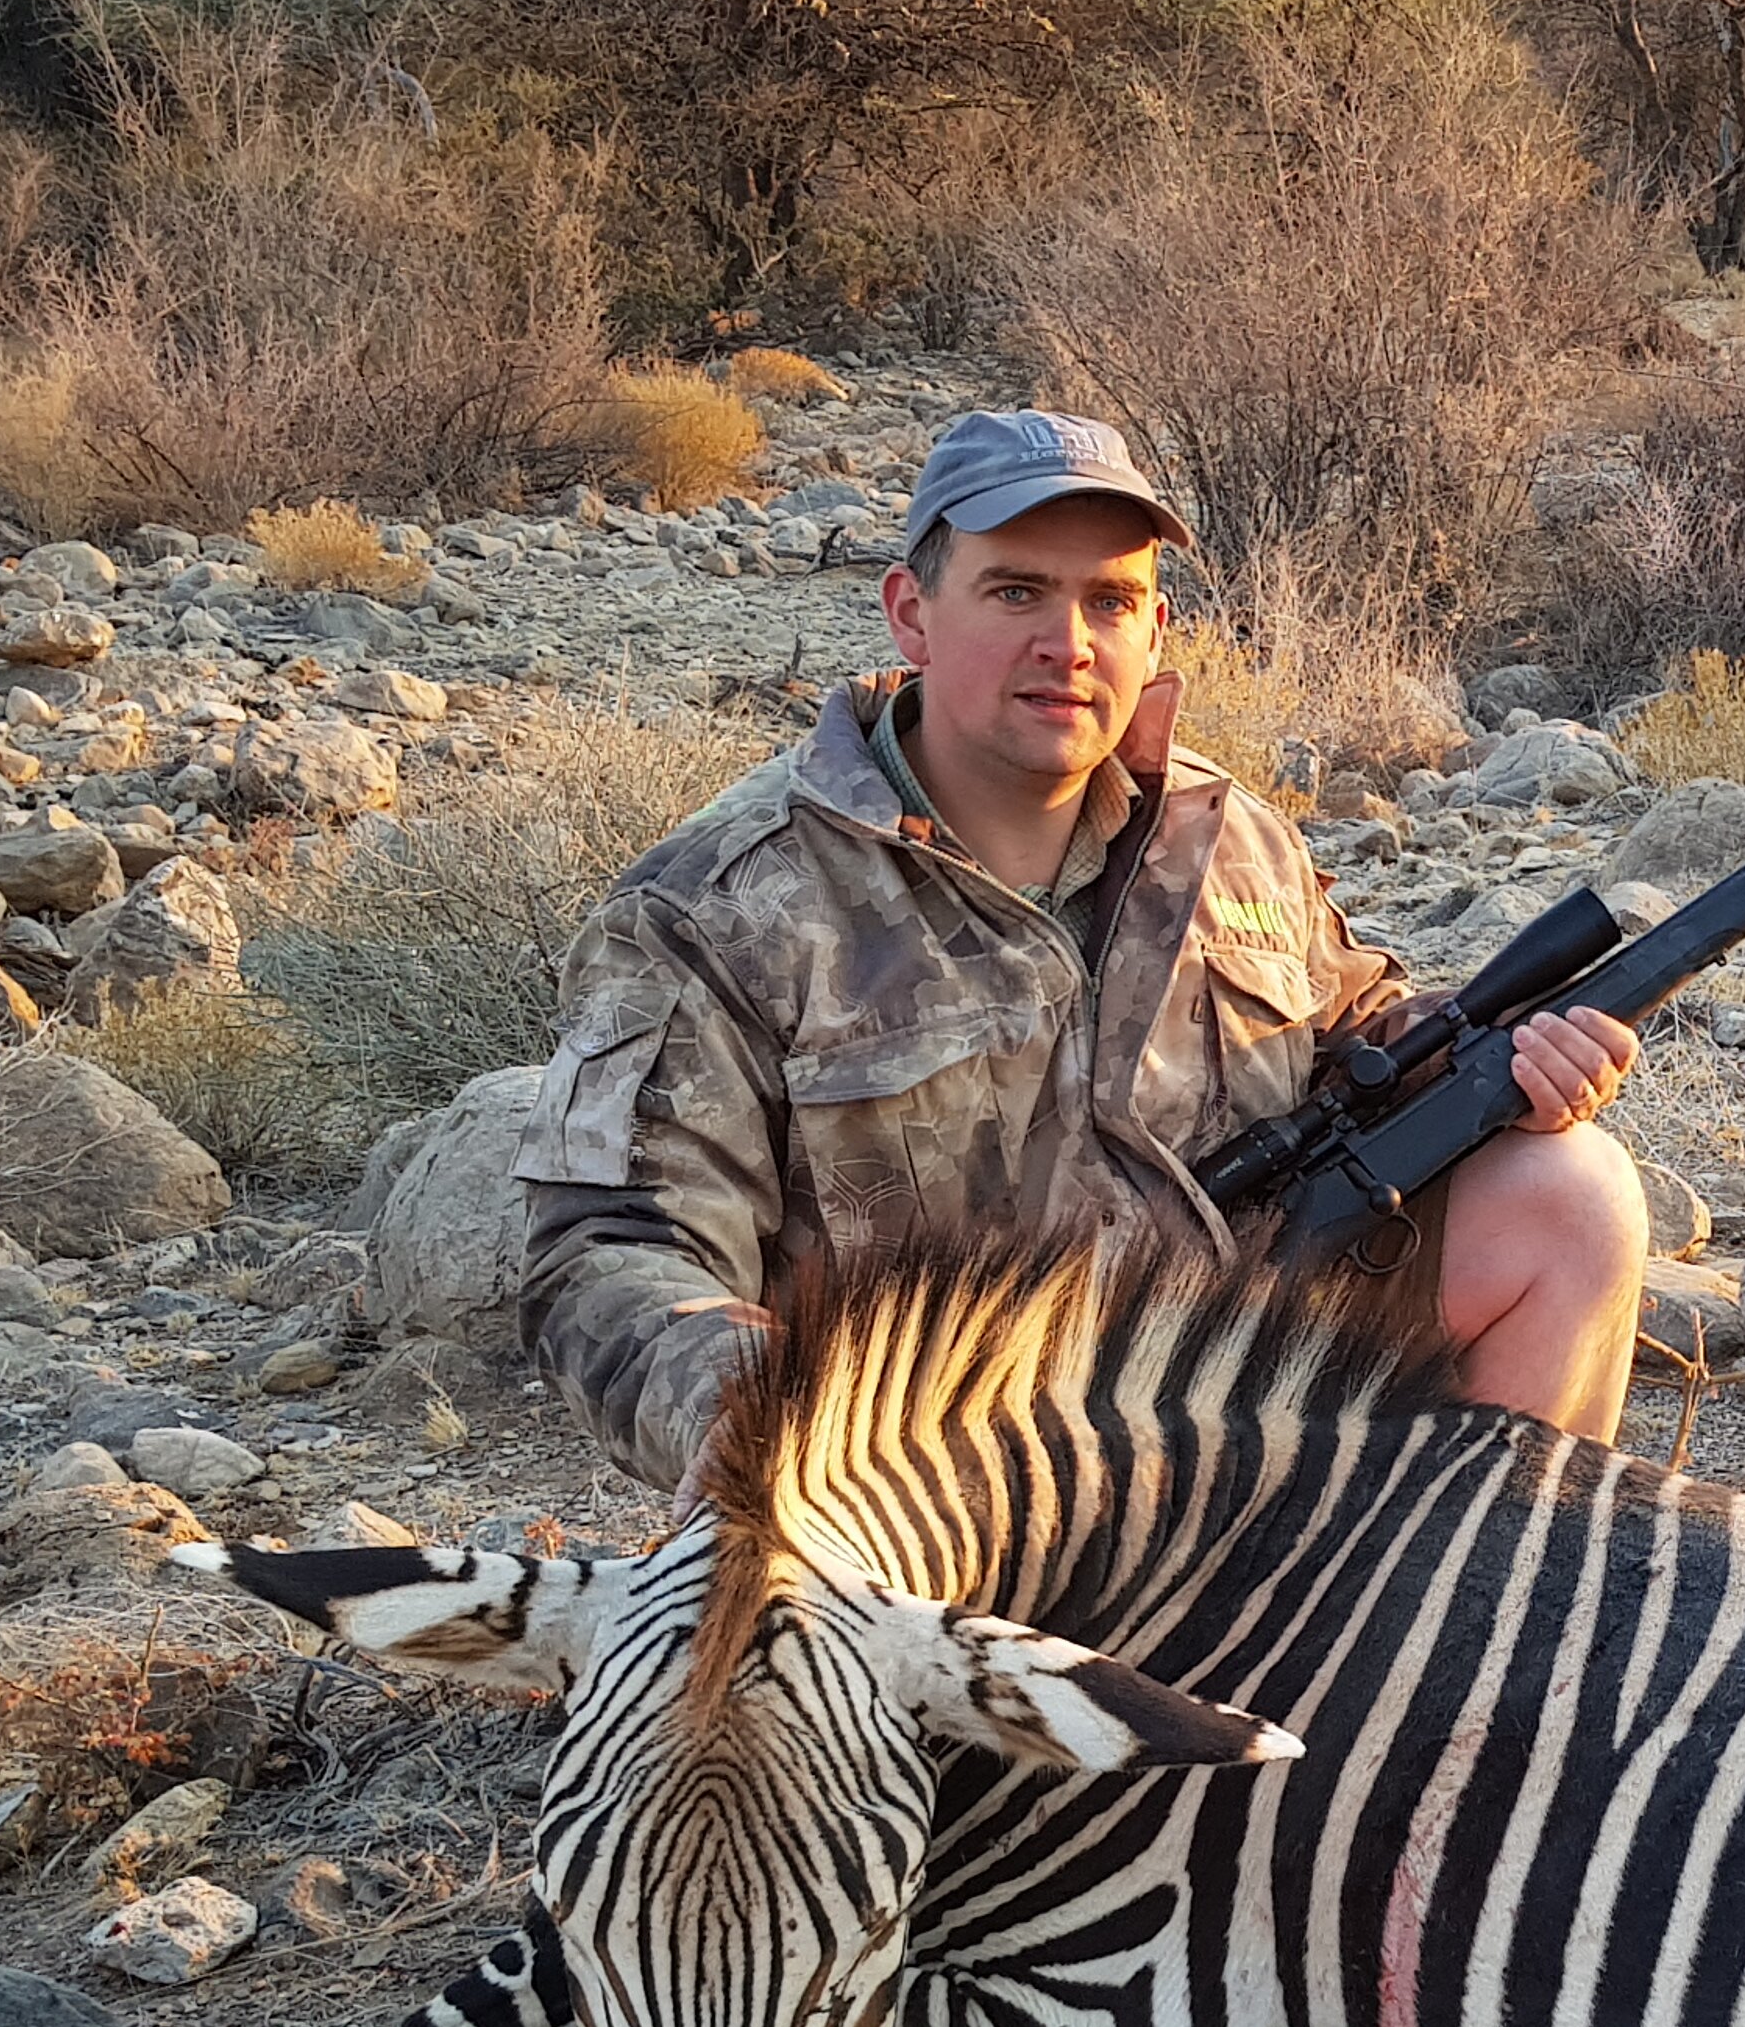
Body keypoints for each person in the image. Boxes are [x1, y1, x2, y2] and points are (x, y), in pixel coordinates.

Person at [515, 409, 1645, 1497]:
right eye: (1017, 592)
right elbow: (610, 1258)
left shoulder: (1227, 834)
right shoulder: (716, 903)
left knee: (1567, 1193)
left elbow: (1360, 1033)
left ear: (1155, 630)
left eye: (1111, 600)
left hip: (1227, 1398)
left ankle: (1460, 1629)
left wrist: (1503, 1067)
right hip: (924, 1478)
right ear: (912, 612)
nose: (1068, 644)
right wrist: (797, 1427)